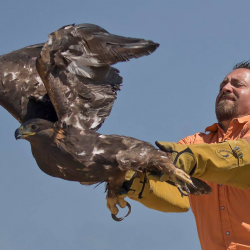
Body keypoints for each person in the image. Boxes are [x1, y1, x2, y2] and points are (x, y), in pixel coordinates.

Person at [123, 62, 250, 250]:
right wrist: (131, 181)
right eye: (222, 85)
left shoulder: (191, 151)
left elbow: (243, 158)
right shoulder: (192, 144)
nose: (225, 88)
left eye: (237, 84)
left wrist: (191, 159)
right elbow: (178, 197)